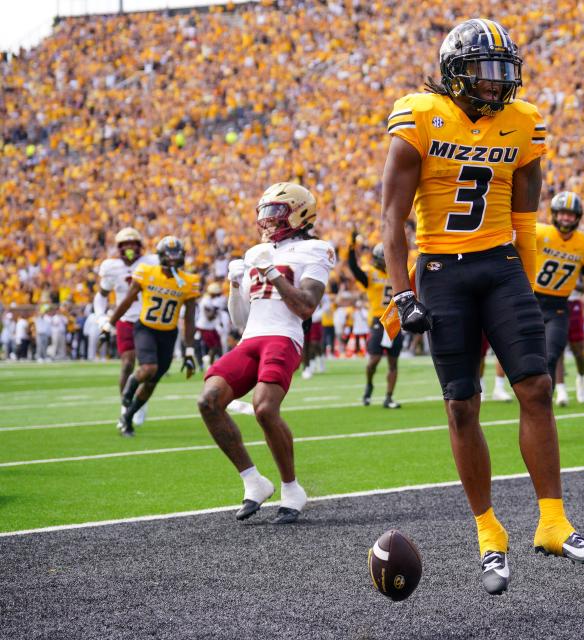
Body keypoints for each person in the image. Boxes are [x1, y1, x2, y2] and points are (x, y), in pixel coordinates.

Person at [379, 18, 584, 596]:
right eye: (482, 71)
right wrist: (399, 291)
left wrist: (527, 283)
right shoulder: (419, 116)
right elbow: (392, 217)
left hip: (501, 264)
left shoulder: (523, 122)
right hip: (440, 270)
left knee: (535, 386)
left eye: (503, 71)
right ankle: (488, 532)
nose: (494, 82)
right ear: (454, 72)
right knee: (462, 404)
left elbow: (526, 218)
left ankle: (553, 521)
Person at [197, 182, 334, 525]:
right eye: (265, 213)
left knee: (264, 408)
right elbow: (241, 319)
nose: (268, 220)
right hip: (251, 338)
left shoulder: (316, 249)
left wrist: (271, 272)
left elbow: (305, 307)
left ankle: (291, 488)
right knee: (209, 401)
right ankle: (253, 482)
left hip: (284, 336)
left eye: (276, 212)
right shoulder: (256, 252)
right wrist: (233, 285)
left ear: (300, 212)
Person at [100, 236, 200, 436]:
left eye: (176, 254)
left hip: (168, 334)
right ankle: (129, 387)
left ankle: (127, 419)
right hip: (145, 328)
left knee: (152, 382)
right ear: (161, 256)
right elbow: (128, 300)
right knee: (148, 368)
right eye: (169, 255)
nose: (173, 258)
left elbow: (189, 319)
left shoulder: (189, 281)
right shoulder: (146, 272)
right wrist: (109, 324)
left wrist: (189, 351)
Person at [533, 191, 584, 406]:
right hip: (531, 301)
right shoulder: (538, 233)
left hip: (559, 307)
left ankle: (544, 407)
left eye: (570, 215)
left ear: (578, 217)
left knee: (552, 355)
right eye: (562, 213)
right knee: (529, 361)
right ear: (554, 214)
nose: (565, 218)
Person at [95, 228, 159, 426]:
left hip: (148, 320)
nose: (130, 248)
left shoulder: (151, 262)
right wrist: (101, 318)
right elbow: (101, 295)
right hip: (125, 320)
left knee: (148, 368)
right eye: (125, 244)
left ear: (139, 246)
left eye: (133, 243)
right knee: (127, 363)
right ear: (119, 247)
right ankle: (126, 403)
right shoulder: (111, 267)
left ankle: (139, 402)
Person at [348, 237, 402, 408]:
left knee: (393, 362)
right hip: (378, 320)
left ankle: (389, 397)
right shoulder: (371, 273)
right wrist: (351, 249)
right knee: (374, 360)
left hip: (394, 319)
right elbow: (355, 269)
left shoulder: (398, 272)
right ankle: (369, 384)